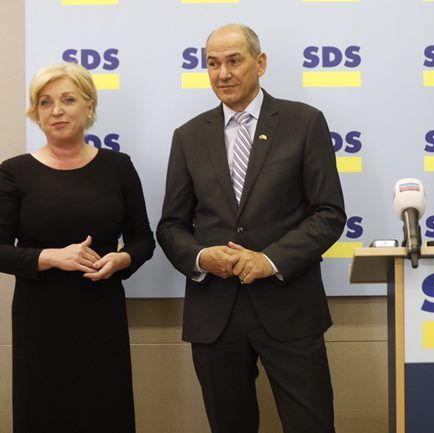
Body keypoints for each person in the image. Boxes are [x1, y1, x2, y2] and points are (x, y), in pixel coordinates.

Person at [157, 24, 346, 433]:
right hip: (215, 313)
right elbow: (171, 225)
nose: (222, 73)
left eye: (233, 61)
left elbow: (329, 213)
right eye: (212, 64)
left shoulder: (304, 122)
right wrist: (201, 257)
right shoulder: (189, 136)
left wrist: (269, 260)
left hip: (289, 306)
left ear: (260, 63)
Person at [0, 62, 155, 433]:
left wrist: (122, 259)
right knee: (44, 415)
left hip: (101, 316)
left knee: (105, 412)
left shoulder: (118, 167)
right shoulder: (14, 172)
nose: (56, 110)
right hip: (40, 322)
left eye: (67, 100)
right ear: (36, 113)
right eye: (45, 102)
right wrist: (51, 257)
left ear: (89, 106)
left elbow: (143, 240)